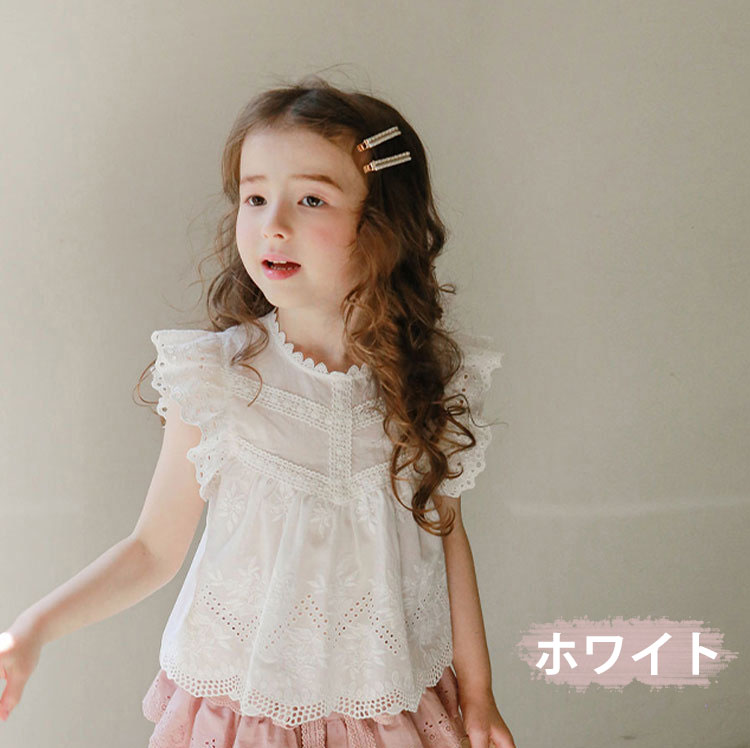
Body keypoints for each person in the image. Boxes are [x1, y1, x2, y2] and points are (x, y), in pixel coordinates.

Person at [0, 75, 516, 748]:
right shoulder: (218, 379)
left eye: (311, 199)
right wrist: (31, 631)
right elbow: (152, 550)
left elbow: (446, 535)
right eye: (255, 197)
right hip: (246, 717)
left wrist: (478, 693)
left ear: (382, 224)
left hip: (392, 707)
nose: (273, 224)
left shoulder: (425, 379)